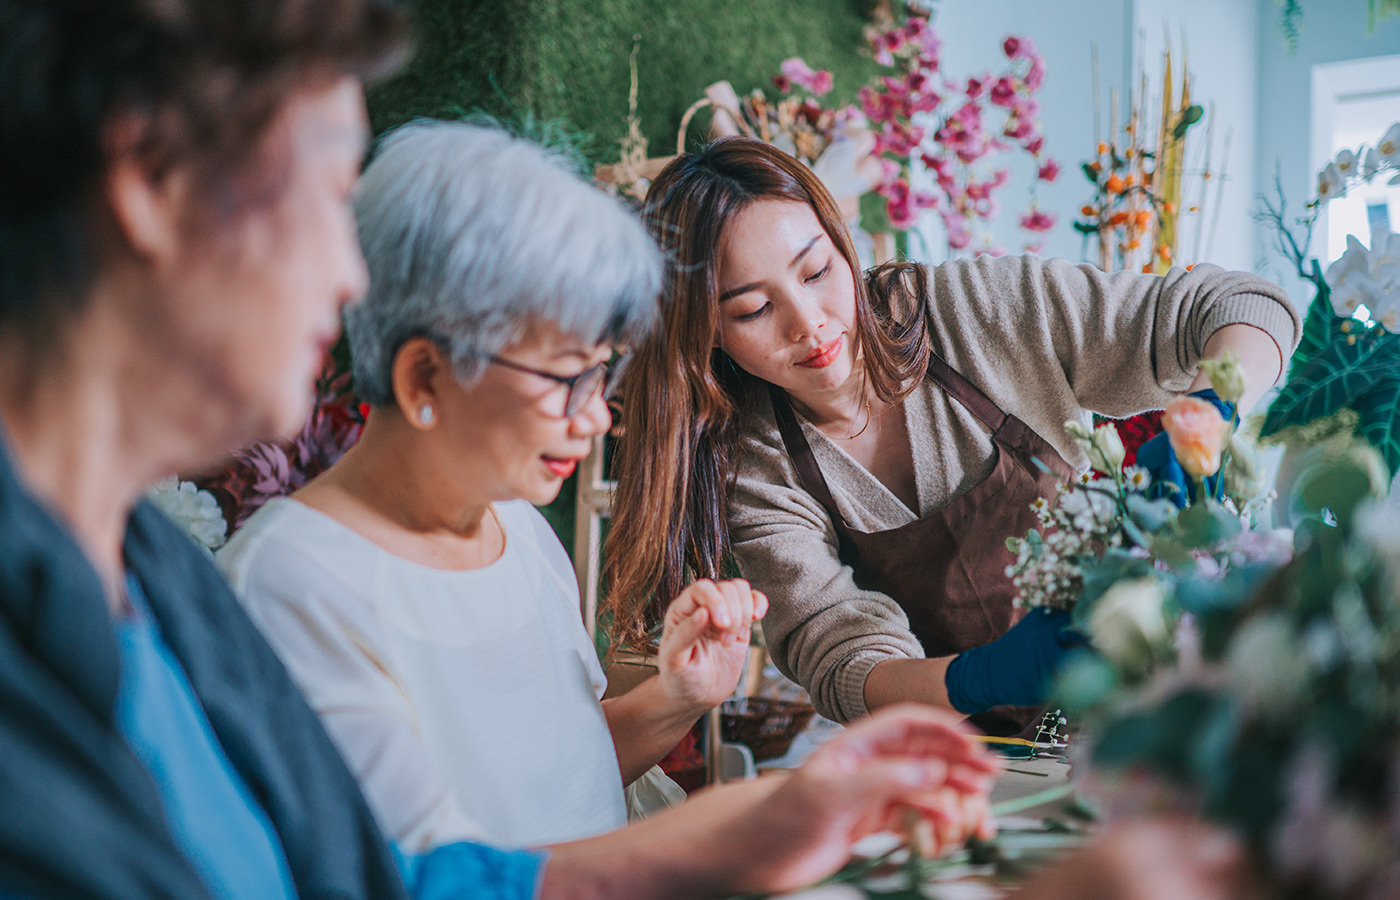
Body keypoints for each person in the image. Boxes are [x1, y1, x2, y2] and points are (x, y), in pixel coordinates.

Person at [0, 3, 1001, 898]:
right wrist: (743, 833)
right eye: (325, 194)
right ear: (150, 181)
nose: (352, 278)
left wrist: (705, 734)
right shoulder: (262, 584)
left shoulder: (156, 576)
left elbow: (400, 866)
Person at [603, 138, 1298, 733]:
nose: (807, 322)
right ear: (708, 334)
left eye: (817, 271)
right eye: (754, 309)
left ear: (843, 246)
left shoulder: (975, 310)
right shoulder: (753, 464)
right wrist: (975, 679)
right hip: (982, 753)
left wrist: (1212, 407)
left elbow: (1237, 305)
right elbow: (844, 665)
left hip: (1178, 688)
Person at [216, 119, 767, 849]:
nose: (596, 416)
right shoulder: (292, 587)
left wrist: (678, 697)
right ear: (425, 375)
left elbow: (570, 780)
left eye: (603, 373)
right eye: (568, 377)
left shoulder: (520, 530)